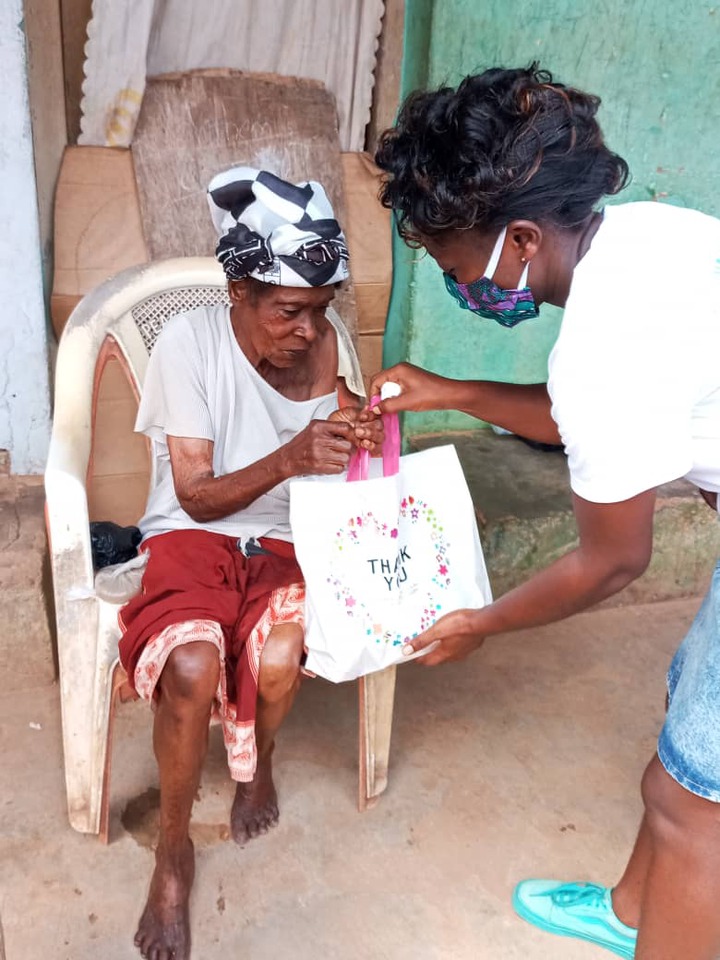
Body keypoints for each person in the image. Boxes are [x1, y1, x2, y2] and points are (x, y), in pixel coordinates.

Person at [371, 65, 720, 960]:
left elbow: (613, 560)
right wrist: (450, 391)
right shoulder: (642, 234)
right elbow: (596, 422)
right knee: (688, 732)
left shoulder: (602, 345)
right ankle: (629, 914)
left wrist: (481, 622)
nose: (457, 284)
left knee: (693, 806)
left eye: (453, 266)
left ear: (521, 239)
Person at [119, 166, 381, 960]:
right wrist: (292, 455)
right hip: (191, 531)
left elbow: (345, 435)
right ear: (239, 291)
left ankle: (257, 756)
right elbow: (195, 496)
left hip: (285, 535)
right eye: (289, 311)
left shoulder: (321, 345)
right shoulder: (189, 342)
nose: (307, 329)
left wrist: (359, 432)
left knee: (280, 651)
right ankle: (172, 851)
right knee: (192, 664)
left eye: (321, 309)